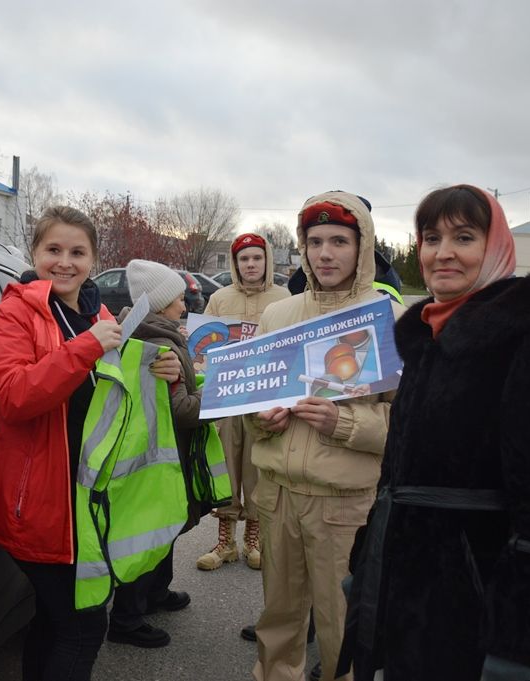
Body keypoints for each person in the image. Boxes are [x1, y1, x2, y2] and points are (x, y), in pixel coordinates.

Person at [336, 185, 530, 681]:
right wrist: (367, 568)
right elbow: (397, 473)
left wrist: (519, 639)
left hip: (476, 605)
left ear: (494, 249)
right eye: (431, 238)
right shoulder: (430, 338)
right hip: (409, 588)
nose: (443, 252)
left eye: (464, 237)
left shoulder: (529, 340)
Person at [0, 207, 180, 681]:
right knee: (85, 627)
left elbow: (114, 389)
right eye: (53, 250)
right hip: (42, 505)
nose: (64, 262)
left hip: (84, 498)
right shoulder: (14, 314)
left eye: (77, 252)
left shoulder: (94, 310)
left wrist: (162, 374)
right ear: (34, 254)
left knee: (52, 622)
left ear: (93, 258)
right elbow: (10, 397)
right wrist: (86, 347)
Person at [248, 191, 403, 681]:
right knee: (278, 622)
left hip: (343, 504)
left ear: (363, 247)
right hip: (277, 496)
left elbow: (411, 425)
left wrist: (345, 423)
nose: (326, 252)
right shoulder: (278, 315)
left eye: (339, 240)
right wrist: (260, 419)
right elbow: (252, 398)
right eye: (315, 241)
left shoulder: (387, 320)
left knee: (342, 627)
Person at [106, 259, 212, 648]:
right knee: (152, 531)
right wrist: (215, 395)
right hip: (158, 456)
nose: (185, 307)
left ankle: (156, 593)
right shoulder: (160, 345)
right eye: (179, 300)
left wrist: (193, 376)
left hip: (155, 452)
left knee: (163, 526)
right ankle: (127, 618)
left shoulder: (146, 331)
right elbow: (182, 412)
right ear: (162, 304)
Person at [196, 233, 290, 571]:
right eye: (244, 259)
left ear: (267, 261)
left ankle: (254, 540)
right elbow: (202, 347)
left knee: (256, 468)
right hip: (227, 398)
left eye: (256, 258)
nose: (250, 265)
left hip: (264, 398)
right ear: (236, 264)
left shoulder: (283, 298)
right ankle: (225, 543)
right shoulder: (220, 299)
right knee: (227, 465)